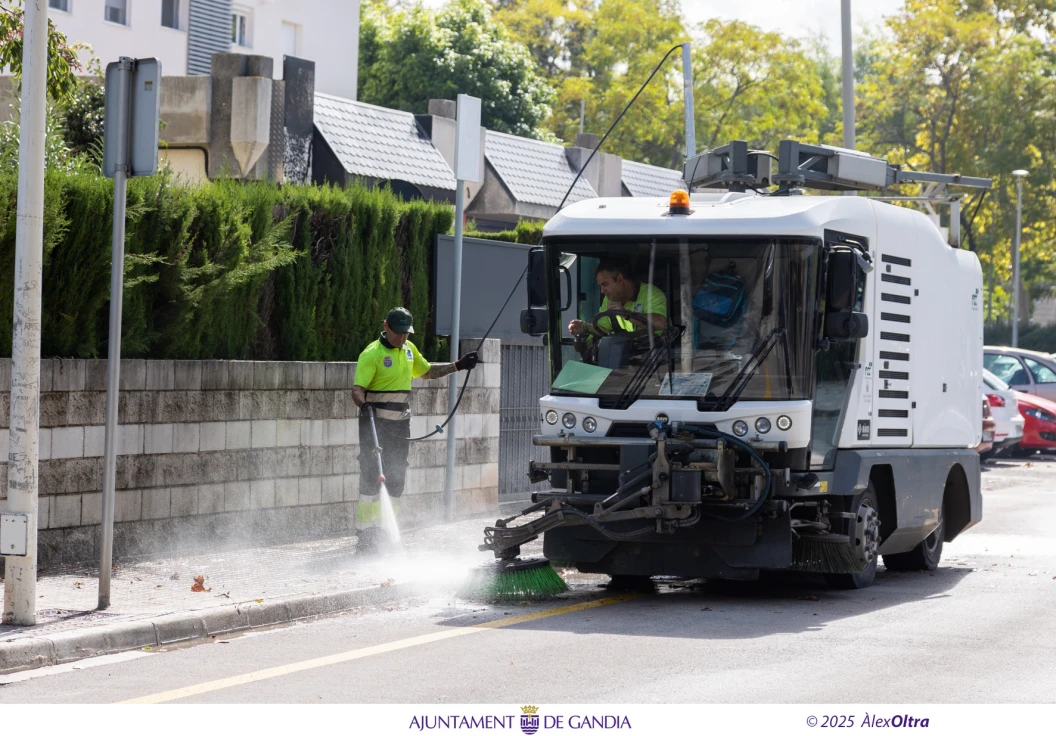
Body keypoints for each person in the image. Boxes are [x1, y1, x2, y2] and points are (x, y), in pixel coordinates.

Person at [351, 307, 478, 553]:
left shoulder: (409, 350)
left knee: (397, 478)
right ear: (386, 326)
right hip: (375, 424)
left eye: (406, 333)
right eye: (398, 332)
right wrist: (363, 404)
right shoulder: (372, 354)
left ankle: (386, 533)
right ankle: (365, 536)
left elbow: (428, 372)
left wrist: (458, 365)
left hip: (400, 426)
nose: (402, 337)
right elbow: (357, 389)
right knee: (372, 476)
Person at [568, 260, 668, 339]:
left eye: (605, 284)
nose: (602, 291)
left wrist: (626, 314)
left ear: (619, 279)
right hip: (627, 354)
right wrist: (585, 327)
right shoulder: (609, 299)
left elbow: (660, 323)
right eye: (600, 286)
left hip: (657, 353)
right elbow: (603, 329)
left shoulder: (651, 293)